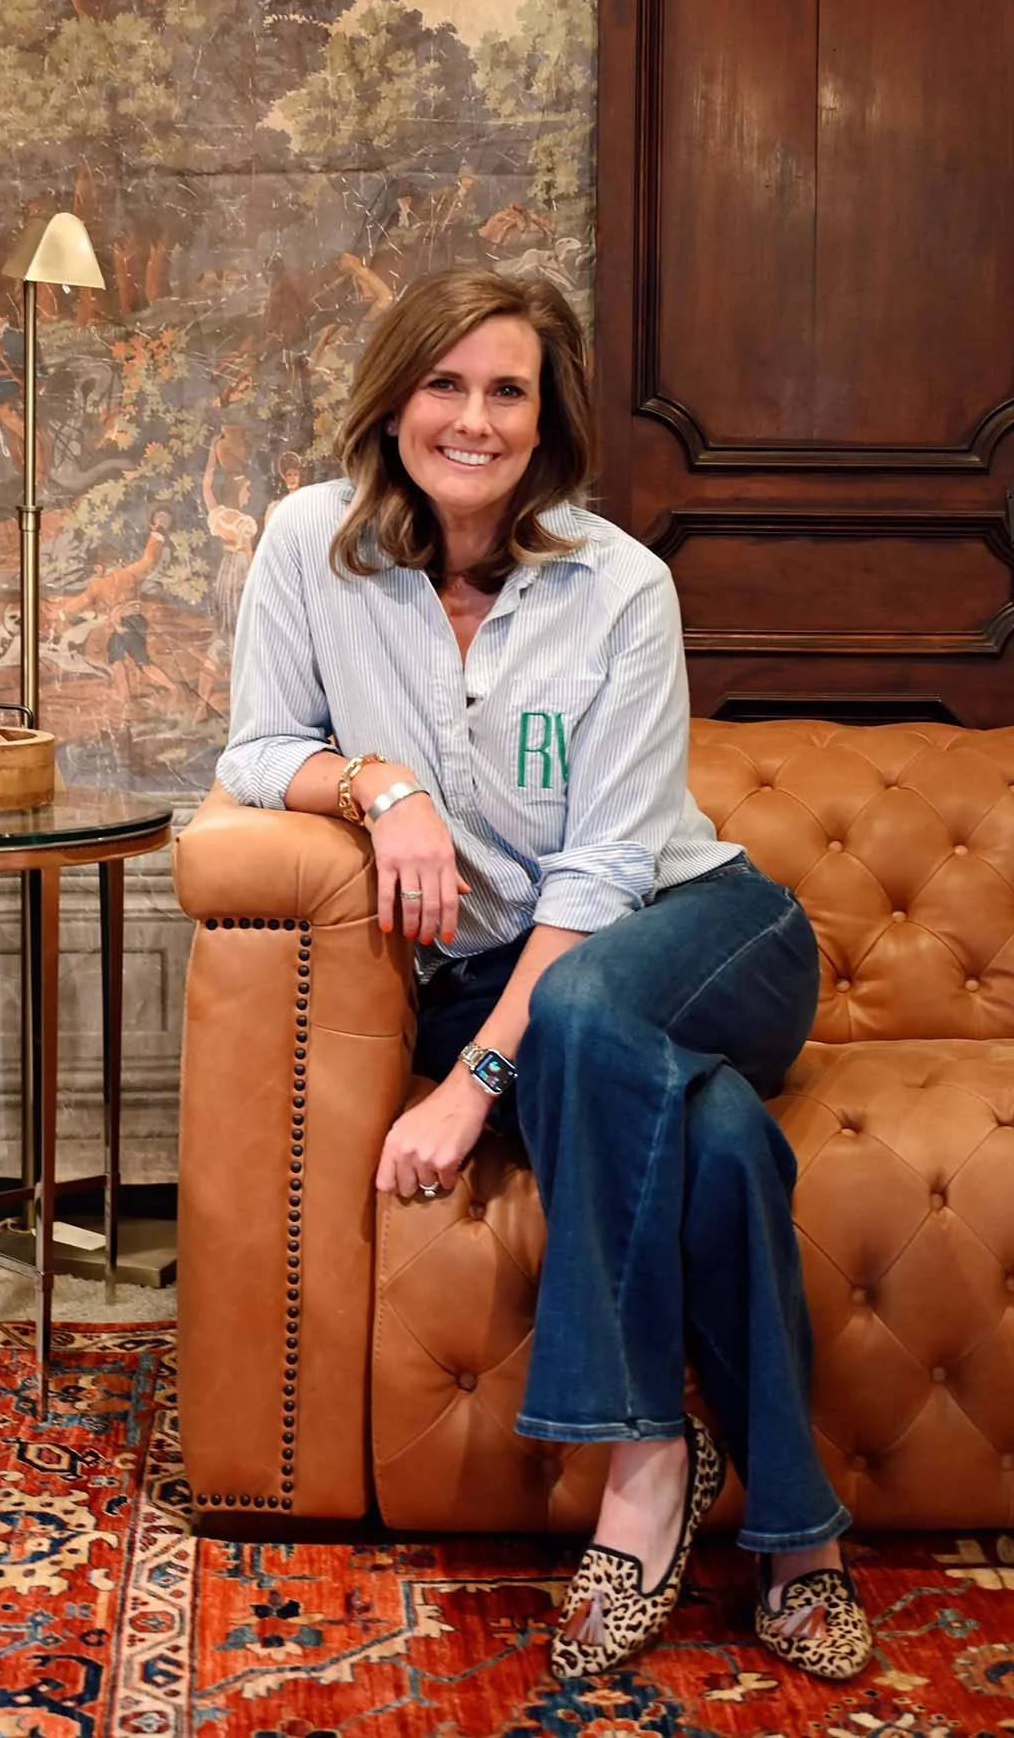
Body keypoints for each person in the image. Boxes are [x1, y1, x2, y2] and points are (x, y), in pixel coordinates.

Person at [215, 268, 872, 1683]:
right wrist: (381, 786)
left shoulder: (619, 586)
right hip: (526, 982)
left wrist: (471, 1083)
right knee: (714, 1140)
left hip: (705, 932)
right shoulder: (309, 544)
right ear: (394, 400)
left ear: (545, 416)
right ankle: (801, 1543)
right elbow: (257, 749)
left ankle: (641, 1476)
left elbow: (600, 881)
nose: (473, 417)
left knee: (581, 1011)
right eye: (444, 384)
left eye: (506, 389)